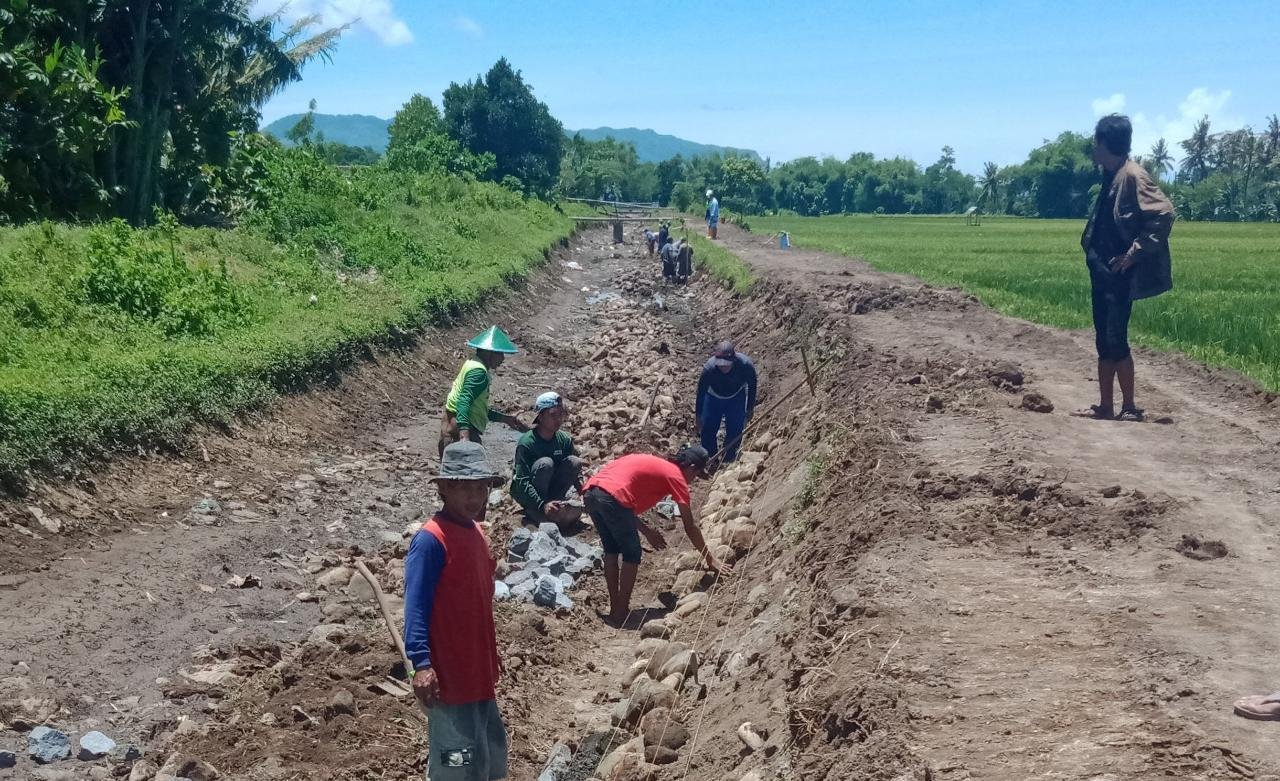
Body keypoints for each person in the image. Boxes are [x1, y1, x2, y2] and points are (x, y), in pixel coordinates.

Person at [404, 441, 508, 780]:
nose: (475, 497)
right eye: (465, 488)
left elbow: (477, 603)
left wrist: (491, 655)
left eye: (481, 488)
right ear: (445, 488)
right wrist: (421, 663)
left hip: (477, 673)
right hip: (448, 679)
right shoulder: (431, 541)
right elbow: (416, 607)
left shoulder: (477, 533)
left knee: (490, 755)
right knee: (455, 762)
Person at [1073, 113, 1174, 422]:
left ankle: (1128, 406)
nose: (1093, 150)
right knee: (1104, 338)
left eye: (1096, 143)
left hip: (1119, 273)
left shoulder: (1132, 175)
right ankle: (1106, 406)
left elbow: (1164, 214)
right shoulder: (1112, 173)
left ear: (1107, 144)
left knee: (1116, 338)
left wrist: (1133, 254)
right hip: (1102, 272)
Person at [582, 446, 732, 626]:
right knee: (632, 553)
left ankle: (616, 609)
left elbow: (622, 507)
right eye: (697, 474)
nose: (693, 481)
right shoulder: (675, 476)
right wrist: (710, 558)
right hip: (611, 497)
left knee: (611, 549)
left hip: (591, 492)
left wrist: (647, 532)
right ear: (691, 467)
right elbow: (690, 526)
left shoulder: (659, 466)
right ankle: (620, 612)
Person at [441, 326, 528, 455]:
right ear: (489, 353)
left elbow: (477, 409)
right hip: (461, 430)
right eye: (500, 353)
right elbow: (464, 402)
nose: (502, 359)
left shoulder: (472, 363)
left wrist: (505, 419)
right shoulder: (478, 373)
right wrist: (464, 437)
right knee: (473, 472)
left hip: (451, 426)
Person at [510, 392, 585, 530]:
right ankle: (536, 510)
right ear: (541, 416)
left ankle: (554, 505)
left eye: (561, 414)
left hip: (552, 489)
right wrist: (541, 504)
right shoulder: (527, 443)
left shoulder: (564, 440)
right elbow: (522, 481)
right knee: (545, 463)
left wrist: (585, 492)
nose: (558, 420)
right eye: (553, 415)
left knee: (574, 461)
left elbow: (575, 472)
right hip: (530, 494)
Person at [696, 341, 758, 463]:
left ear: (734, 360)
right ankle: (711, 460)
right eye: (720, 364)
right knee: (708, 429)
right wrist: (698, 415)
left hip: (736, 398)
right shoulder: (709, 369)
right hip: (713, 398)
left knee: (735, 429)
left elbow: (752, 385)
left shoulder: (745, 366)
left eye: (727, 364)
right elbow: (701, 393)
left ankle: (729, 457)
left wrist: (750, 408)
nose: (724, 367)